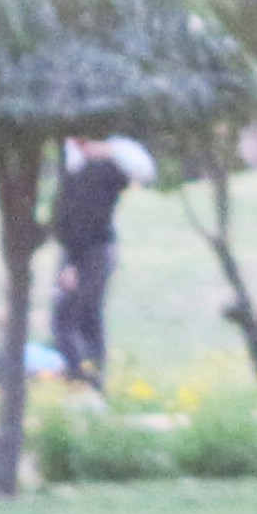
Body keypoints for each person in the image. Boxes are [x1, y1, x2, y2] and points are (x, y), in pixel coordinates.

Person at [47, 133, 146, 388]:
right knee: (76, 318)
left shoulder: (105, 170)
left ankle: (86, 382)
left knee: (76, 317)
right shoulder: (76, 168)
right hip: (82, 250)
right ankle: (83, 380)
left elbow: (143, 169)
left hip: (92, 251)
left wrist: (109, 149)